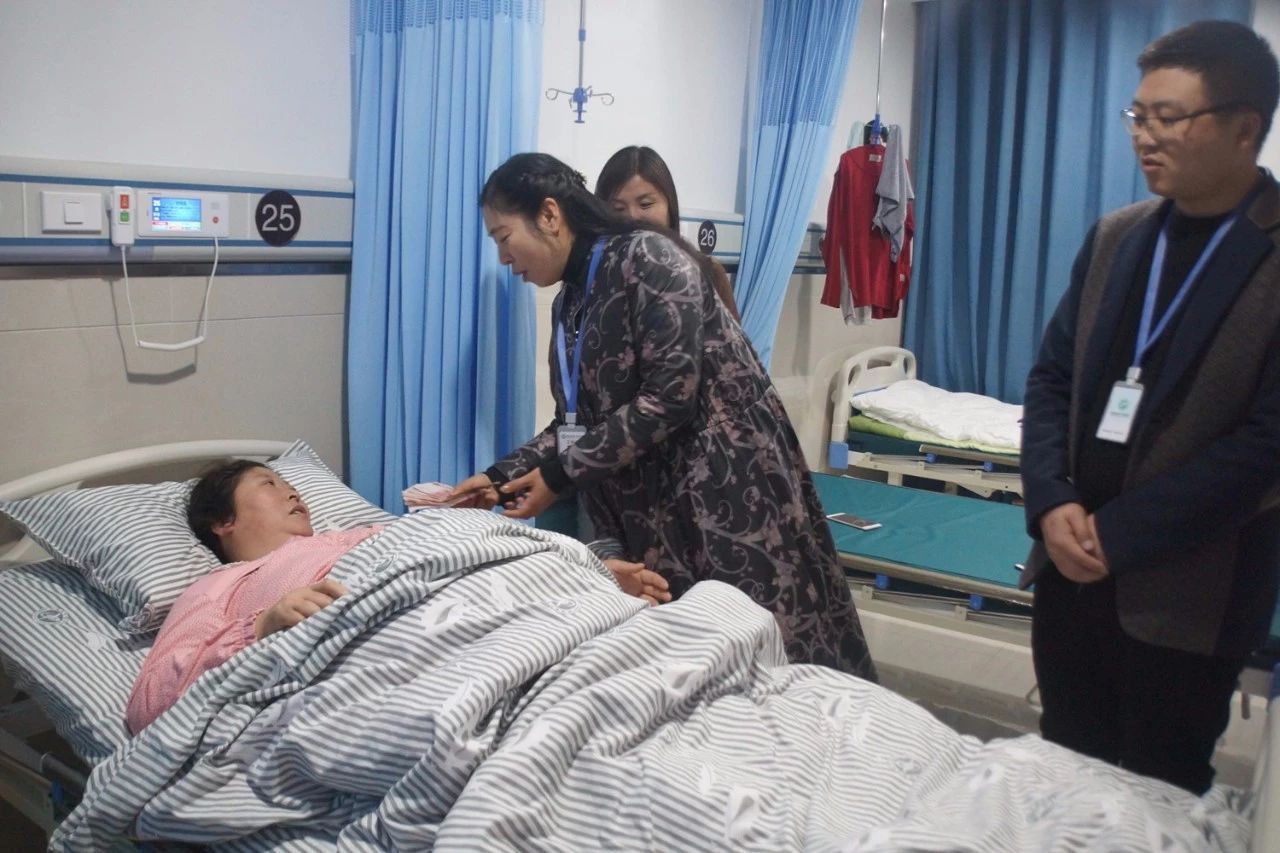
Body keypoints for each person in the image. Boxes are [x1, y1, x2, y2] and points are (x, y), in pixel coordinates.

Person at [452, 152, 875, 680]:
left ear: (550, 215)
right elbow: (573, 422)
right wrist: (500, 477)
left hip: (727, 491)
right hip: (655, 503)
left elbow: (672, 394)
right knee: (693, 663)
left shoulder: (647, 258)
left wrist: (559, 476)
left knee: (766, 648)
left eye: (503, 236)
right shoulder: (570, 303)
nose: (502, 257)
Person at [1020, 19, 1280, 794]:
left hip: (1191, 594)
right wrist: (1051, 501)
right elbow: (1052, 379)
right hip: (1070, 578)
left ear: (1244, 128)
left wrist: (1120, 532)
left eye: (1169, 117)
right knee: (1065, 773)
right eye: (1138, 115)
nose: (1145, 135)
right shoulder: (1118, 237)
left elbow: (1268, 443)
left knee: (1158, 795)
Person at [126, 460, 671, 733]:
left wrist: (590, 571)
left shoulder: (368, 533)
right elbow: (148, 705)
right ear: (222, 521)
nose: (292, 491)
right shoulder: (223, 585)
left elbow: (471, 561)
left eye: (290, 483)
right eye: (269, 484)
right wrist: (260, 628)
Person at [594, 145, 741, 321]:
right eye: (618, 208)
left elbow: (730, 337)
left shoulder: (708, 271)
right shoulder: (594, 279)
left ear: (669, 206)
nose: (632, 217)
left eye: (645, 204)